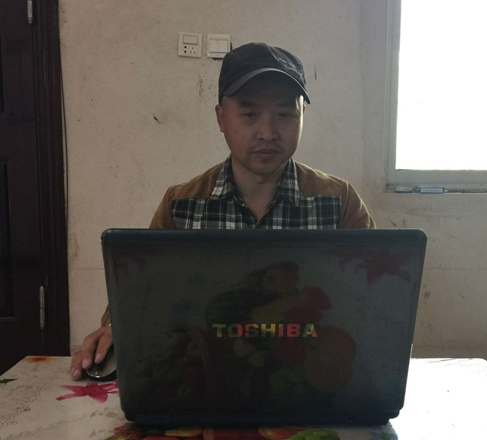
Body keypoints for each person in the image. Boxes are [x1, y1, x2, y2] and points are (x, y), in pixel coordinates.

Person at [70, 42, 375, 380]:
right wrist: (116, 327)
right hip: (206, 378)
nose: (267, 133)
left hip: (312, 381)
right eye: (249, 114)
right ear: (221, 118)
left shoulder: (339, 203)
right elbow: (142, 294)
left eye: (285, 114)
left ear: (303, 115)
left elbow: (373, 302)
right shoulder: (182, 206)